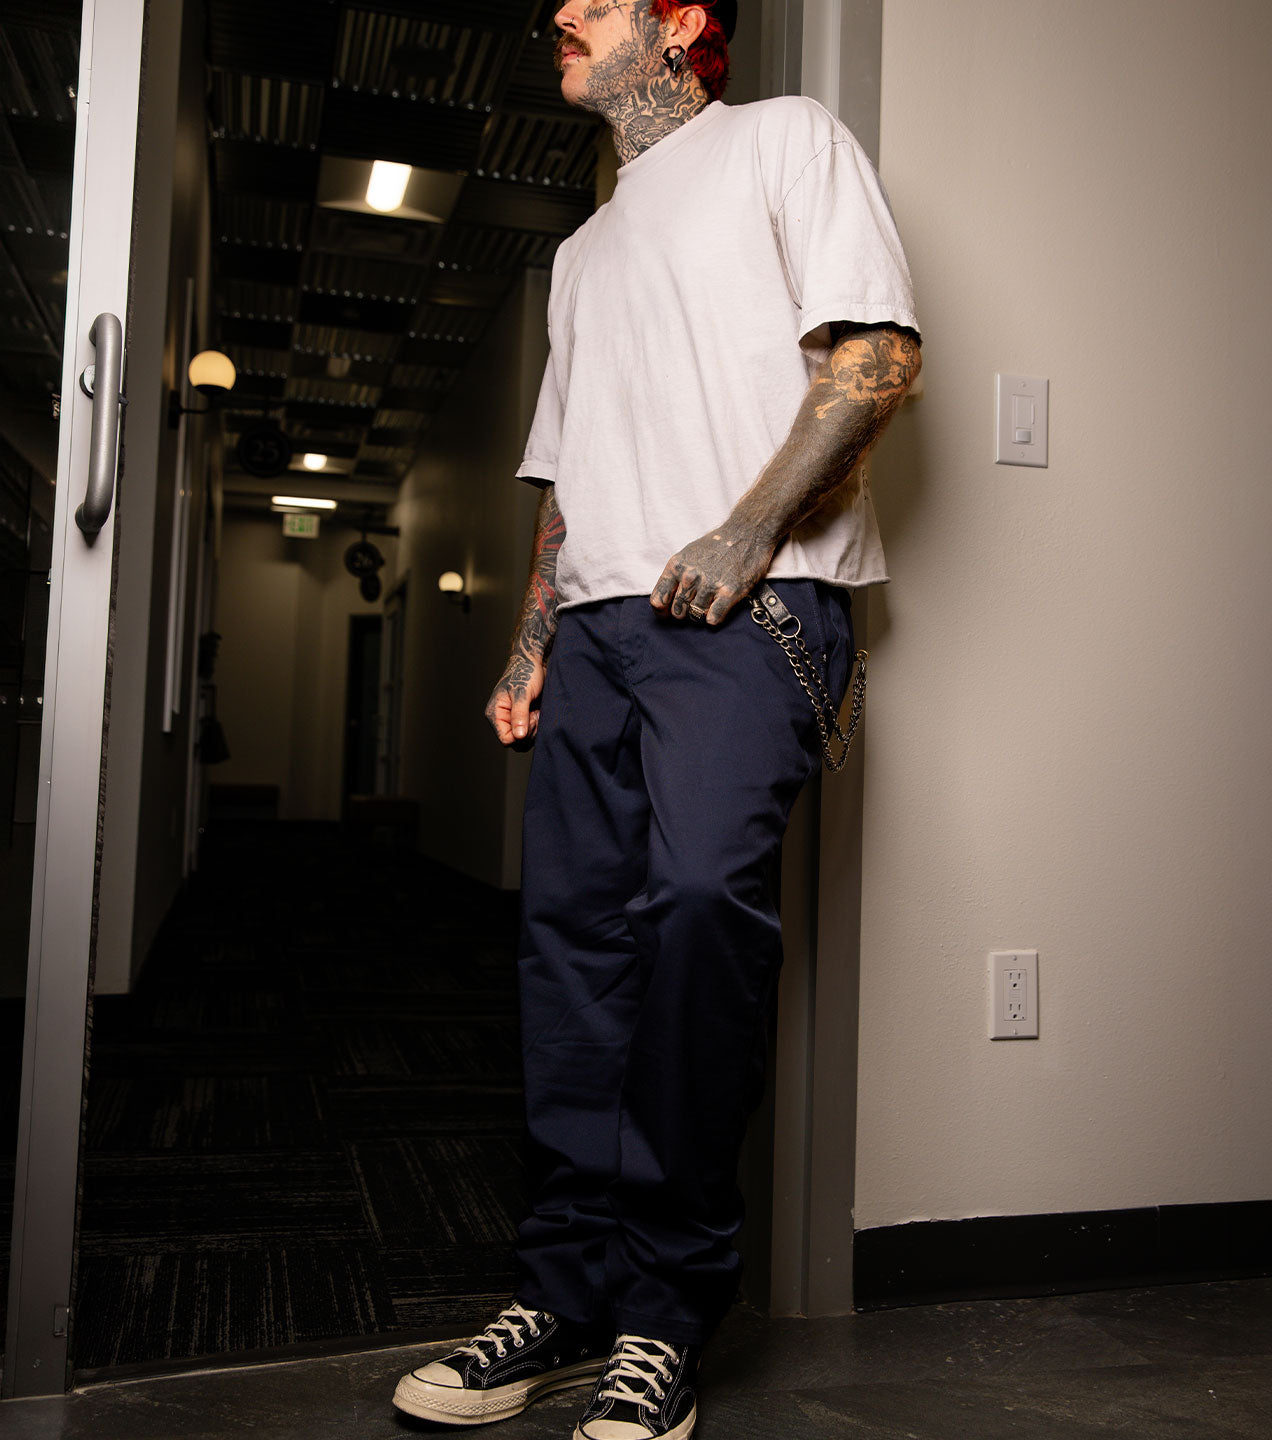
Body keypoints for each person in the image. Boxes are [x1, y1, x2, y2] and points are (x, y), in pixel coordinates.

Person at [392, 2, 920, 1436]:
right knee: (572, 949)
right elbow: (569, 479)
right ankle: (564, 1293)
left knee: (695, 913)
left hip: (748, 614)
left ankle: (665, 1312)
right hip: (604, 631)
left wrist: (746, 533)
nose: (556, 14)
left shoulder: (783, 142)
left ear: (684, 24)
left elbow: (874, 355)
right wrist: (528, 644)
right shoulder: (583, 249)